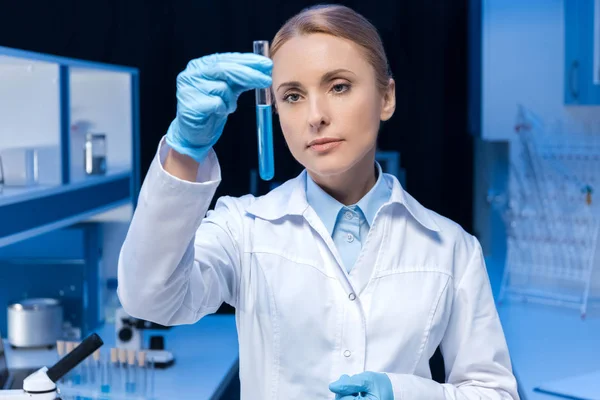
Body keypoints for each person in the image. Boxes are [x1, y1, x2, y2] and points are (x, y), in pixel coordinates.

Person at [118, 4, 519, 399]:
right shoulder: (243, 229)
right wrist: (184, 152)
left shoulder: (452, 249)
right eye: (292, 95)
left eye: (339, 86)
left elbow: (494, 392)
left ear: (386, 98)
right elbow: (150, 298)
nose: (315, 116)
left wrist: (405, 394)